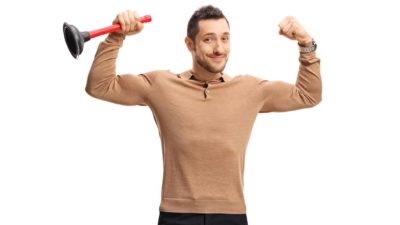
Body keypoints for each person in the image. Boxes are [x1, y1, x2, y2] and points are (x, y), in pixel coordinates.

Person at [86, 5, 322, 225]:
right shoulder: (161, 85)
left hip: (232, 215)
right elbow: (99, 86)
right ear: (189, 44)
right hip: (176, 215)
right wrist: (116, 36)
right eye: (208, 39)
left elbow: (308, 95)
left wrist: (306, 43)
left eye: (225, 38)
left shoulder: (250, 90)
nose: (219, 48)